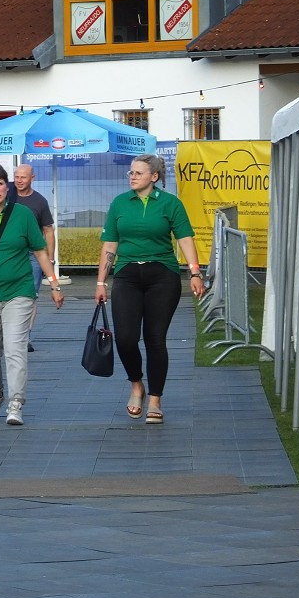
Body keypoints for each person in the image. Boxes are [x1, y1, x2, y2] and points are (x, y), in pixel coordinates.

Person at [95, 154, 205, 425]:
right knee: (126, 339)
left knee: (155, 338)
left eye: (138, 173)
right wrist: (100, 282)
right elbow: (110, 245)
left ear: (154, 177)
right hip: (127, 276)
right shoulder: (120, 203)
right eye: (130, 173)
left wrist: (194, 271)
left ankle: (155, 399)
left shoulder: (170, 204)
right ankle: (137, 385)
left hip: (162, 276)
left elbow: (185, 239)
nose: (132, 176)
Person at [0, 163, 63, 426]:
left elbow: (40, 251)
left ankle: (16, 403)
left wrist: (53, 283)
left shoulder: (23, 215)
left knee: (15, 349)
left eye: (0, 184)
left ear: (8, 185)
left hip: (19, 291)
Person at [11, 164, 55, 352]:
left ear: (32, 178)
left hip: (33, 255)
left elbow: (48, 231)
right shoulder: (6, 195)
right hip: (11, 254)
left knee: (30, 296)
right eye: (16, 177)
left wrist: (50, 259)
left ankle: (24, 336)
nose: (19, 180)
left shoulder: (39, 201)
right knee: (10, 294)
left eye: (23, 177)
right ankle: (10, 333)